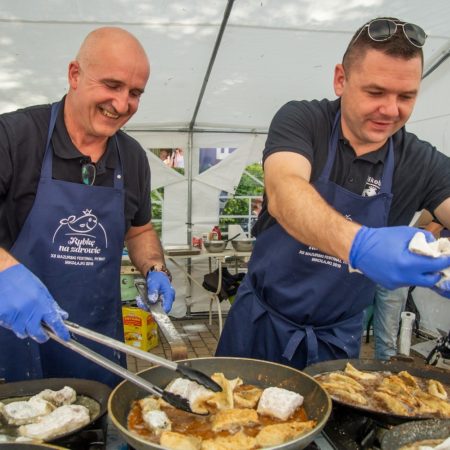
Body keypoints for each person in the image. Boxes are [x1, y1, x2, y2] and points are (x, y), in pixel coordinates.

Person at [217, 17, 450, 369]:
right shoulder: (303, 120)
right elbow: (285, 191)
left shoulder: (419, 160)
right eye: (375, 92)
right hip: (259, 326)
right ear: (341, 79)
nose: (390, 110)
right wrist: (361, 247)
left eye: (406, 96)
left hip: (335, 343)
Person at [0, 27, 175, 387]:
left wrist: (155, 267)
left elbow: (139, 229)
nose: (123, 104)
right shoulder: (15, 137)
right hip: (15, 342)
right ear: (75, 75)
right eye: (112, 85)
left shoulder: (132, 157)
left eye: (135, 93)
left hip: (98, 345)